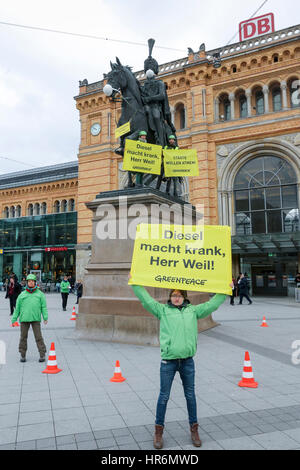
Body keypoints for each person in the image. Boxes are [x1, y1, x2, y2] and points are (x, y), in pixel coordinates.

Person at [130, 273, 232, 449]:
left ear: (184, 297)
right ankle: (158, 432)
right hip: (168, 362)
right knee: (163, 397)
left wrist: (225, 290)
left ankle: (194, 429)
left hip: (187, 362)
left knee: (190, 396)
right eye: (174, 295)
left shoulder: (193, 311)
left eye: (179, 295)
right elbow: (146, 300)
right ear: (170, 297)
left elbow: (212, 304)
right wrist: (135, 283)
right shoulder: (162, 310)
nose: (176, 298)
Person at [11, 274, 48, 363]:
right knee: (23, 337)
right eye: (29, 281)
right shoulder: (22, 295)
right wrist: (14, 319)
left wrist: (45, 317)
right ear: (27, 282)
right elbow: (17, 308)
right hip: (24, 319)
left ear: (35, 282)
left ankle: (42, 354)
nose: (31, 282)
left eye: (32, 281)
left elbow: (44, 307)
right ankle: (22, 355)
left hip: (36, 319)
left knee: (38, 337)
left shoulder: (40, 294)